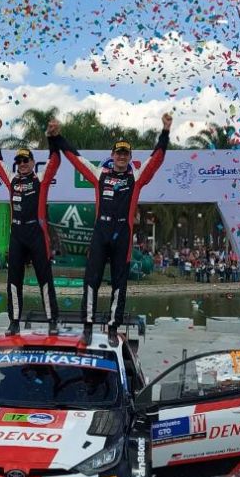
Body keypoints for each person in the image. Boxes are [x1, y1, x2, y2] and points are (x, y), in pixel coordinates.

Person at [53, 113, 171, 344]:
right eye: (118, 153)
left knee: (119, 283)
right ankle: (87, 326)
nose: (121, 157)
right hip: (101, 232)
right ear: (112, 155)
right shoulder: (100, 175)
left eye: (125, 153)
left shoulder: (136, 178)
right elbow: (76, 159)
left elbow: (156, 159)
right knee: (91, 280)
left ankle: (112, 327)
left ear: (130, 157)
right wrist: (58, 138)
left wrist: (165, 131)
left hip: (123, 235)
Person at [0, 117, 61, 334]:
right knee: (13, 280)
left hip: (36, 233)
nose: (22, 164)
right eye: (19, 161)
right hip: (17, 234)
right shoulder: (12, 179)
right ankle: (14, 322)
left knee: (44, 278)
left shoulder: (41, 179)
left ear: (32, 162)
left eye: (26, 160)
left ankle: (52, 321)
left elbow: (55, 160)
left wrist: (52, 138)